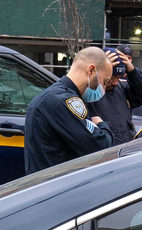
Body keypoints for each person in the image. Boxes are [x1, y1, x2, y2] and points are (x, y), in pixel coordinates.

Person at [23, 46, 115, 174]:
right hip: (56, 186)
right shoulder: (65, 101)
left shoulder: (54, 96)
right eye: (105, 82)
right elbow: (101, 147)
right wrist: (101, 125)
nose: (104, 89)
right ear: (91, 70)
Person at [90, 46, 142, 143]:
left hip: (124, 150)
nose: (115, 82)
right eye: (112, 77)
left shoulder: (122, 88)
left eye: (119, 77)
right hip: (103, 153)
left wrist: (133, 72)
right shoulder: (89, 93)